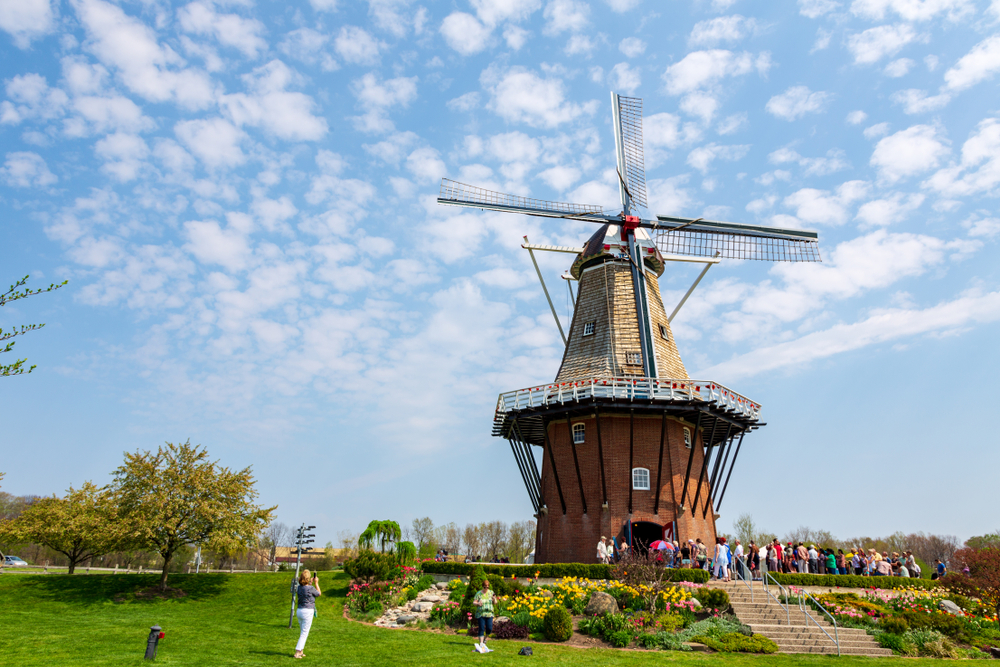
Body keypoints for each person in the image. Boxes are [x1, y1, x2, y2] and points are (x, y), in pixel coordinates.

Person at [293, 569, 321, 659]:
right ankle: (297, 652)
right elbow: (318, 594)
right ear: (308, 579)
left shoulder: (299, 587)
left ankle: (301, 651)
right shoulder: (310, 588)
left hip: (299, 611)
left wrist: (310, 583)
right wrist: (316, 583)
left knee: (302, 631)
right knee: (304, 632)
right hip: (307, 611)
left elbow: (306, 589)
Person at [472, 578, 496, 653]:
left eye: (487, 587)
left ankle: (485, 639)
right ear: (482, 587)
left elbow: (495, 603)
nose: (486, 588)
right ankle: (481, 644)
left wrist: (494, 599)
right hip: (481, 614)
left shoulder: (491, 593)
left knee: (489, 628)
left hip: (489, 613)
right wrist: (478, 603)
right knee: (481, 628)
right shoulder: (479, 593)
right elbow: (474, 602)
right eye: (485, 587)